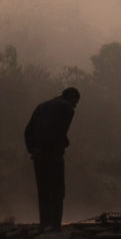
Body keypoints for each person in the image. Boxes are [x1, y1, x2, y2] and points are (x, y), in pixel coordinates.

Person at [24, 87, 80, 230]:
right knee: (57, 191)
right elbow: (59, 130)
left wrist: (33, 149)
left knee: (43, 191)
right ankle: (55, 226)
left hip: (38, 155)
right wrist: (63, 144)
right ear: (72, 98)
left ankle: (44, 224)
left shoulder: (41, 106)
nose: (75, 106)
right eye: (76, 103)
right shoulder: (67, 108)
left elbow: (28, 130)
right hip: (53, 155)